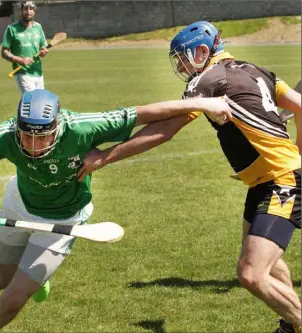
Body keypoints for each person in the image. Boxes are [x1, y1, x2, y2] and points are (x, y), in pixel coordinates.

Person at [0, 88, 232, 333]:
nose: (33, 145)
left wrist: (204, 103)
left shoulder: (83, 127)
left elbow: (147, 113)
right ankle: (37, 280)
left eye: (42, 137)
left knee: (12, 299)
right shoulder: (6, 135)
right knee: (0, 281)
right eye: (27, 137)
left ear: (57, 127)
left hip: (65, 219)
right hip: (18, 204)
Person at [77, 21, 301, 333]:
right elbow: (300, 107)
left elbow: (164, 129)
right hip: (269, 180)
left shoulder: (209, 78)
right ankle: (290, 326)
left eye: (183, 58)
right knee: (268, 261)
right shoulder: (259, 71)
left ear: (201, 51)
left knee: (251, 273)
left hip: (281, 181)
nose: (181, 66)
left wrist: (105, 156)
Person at [1, 1, 48, 94]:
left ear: (34, 11)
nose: (28, 11)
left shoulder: (38, 27)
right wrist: (20, 60)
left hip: (38, 72)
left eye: (31, 9)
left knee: (40, 103)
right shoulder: (11, 28)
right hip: (23, 73)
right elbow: (4, 52)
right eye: (26, 9)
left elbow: (43, 48)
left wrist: (44, 52)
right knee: (32, 101)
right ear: (21, 11)